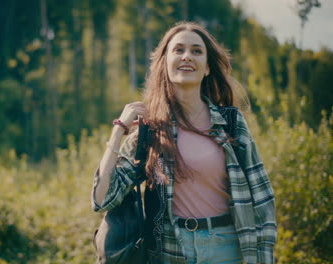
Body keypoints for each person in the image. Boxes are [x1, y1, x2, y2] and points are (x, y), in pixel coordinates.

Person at [91, 21, 277, 264]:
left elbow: (262, 196)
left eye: (196, 51)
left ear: (207, 67)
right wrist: (119, 130)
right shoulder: (151, 131)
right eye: (178, 50)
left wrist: (264, 257)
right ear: (165, 63)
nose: (187, 56)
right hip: (171, 251)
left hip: (227, 247)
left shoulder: (231, 121)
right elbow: (102, 199)